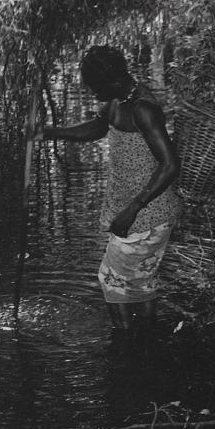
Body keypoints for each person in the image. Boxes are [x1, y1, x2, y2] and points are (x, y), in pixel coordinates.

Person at [36, 45, 181, 342]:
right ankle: (147, 343)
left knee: (111, 279)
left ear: (114, 82)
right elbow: (96, 128)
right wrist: (49, 133)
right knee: (139, 281)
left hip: (146, 213)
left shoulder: (143, 109)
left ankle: (126, 347)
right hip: (135, 212)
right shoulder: (118, 99)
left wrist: (132, 209)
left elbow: (170, 165)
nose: (92, 94)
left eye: (96, 88)